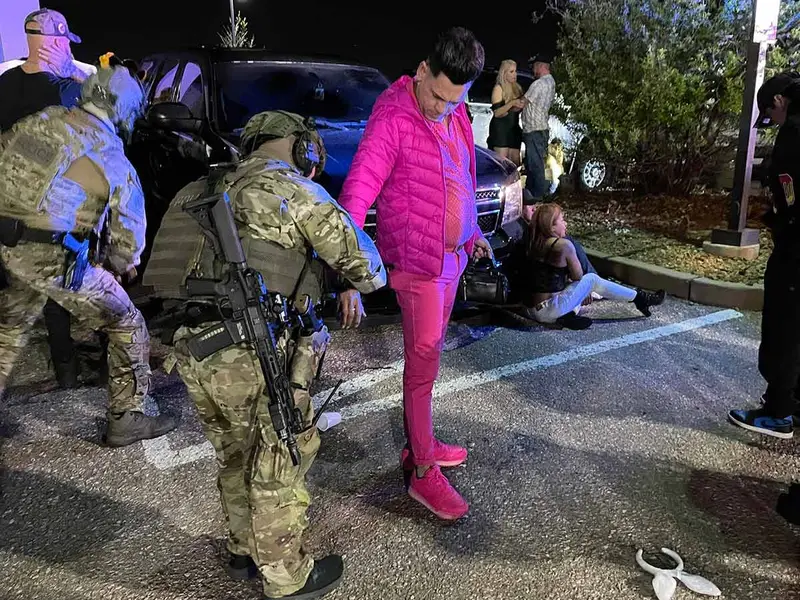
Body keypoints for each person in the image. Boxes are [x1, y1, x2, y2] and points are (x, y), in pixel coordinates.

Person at [144, 111, 386, 599]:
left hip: (192, 350)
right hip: (253, 350)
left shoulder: (194, 191)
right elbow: (370, 270)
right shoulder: (294, 191)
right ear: (302, 148)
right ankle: (286, 575)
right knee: (278, 457)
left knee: (234, 452)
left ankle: (243, 550)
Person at [338, 27, 491, 521]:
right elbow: (358, 191)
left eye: (455, 101)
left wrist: (472, 231)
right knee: (422, 363)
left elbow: (461, 173)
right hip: (419, 264)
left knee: (429, 361)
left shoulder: (456, 109)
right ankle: (422, 471)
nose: (443, 109)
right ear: (423, 70)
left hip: (452, 259)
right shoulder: (393, 118)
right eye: (438, 97)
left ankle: (419, 443)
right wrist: (349, 271)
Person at [0, 64, 177, 447]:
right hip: (55, 259)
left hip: (9, 247)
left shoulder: (40, 122)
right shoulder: (109, 154)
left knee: (7, 330)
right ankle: (127, 418)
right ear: (124, 111)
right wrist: (118, 263)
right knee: (127, 323)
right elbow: (128, 239)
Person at [0, 8, 91, 389]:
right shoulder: (67, 89)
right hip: (52, 209)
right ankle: (67, 372)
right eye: (65, 41)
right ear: (54, 41)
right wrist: (75, 73)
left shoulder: (5, 83)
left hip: (9, 208)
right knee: (56, 295)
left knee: (15, 296)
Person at [729, 72, 800, 440]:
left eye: (771, 117)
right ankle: (794, 404)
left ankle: (778, 412)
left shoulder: (795, 133)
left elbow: (790, 194)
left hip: (796, 251)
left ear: (778, 101)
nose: (774, 124)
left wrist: (781, 220)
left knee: (784, 327)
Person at [523, 203, 664, 329]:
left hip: (532, 310)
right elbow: (579, 277)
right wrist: (584, 290)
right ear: (551, 226)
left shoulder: (535, 243)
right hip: (548, 310)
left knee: (590, 290)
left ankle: (567, 317)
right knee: (591, 279)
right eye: (562, 220)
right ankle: (641, 298)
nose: (566, 223)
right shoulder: (563, 245)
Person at [521, 54, 556, 202]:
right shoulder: (551, 82)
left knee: (534, 164)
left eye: (534, 66)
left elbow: (523, 102)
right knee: (536, 162)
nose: (533, 70)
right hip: (541, 127)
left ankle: (536, 195)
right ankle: (532, 192)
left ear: (541, 66)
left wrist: (508, 106)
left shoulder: (539, 84)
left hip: (534, 129)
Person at [487, 59, 526, 166]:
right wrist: (512, 103)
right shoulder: (498, 88)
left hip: (513, 128)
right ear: (504, 73)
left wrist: (520, 105)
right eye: (511, 71)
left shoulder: (517, 88)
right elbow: (497, 113)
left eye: (515, 71)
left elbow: (515, 110)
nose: (515, 74)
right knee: (502, 163)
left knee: (515, 162)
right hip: (501, 129)